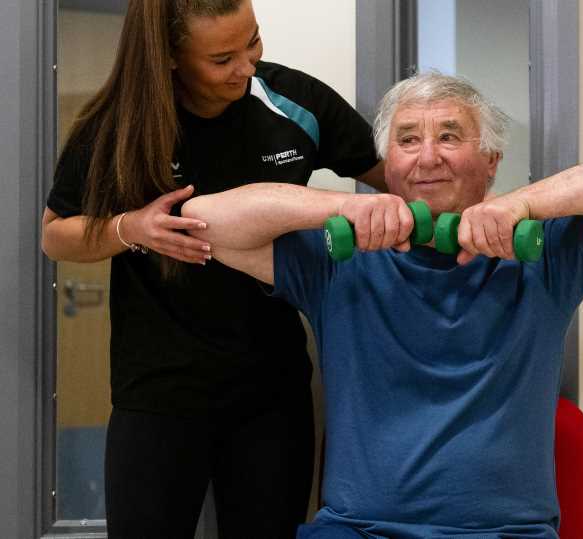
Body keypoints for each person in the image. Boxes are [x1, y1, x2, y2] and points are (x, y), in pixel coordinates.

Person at [181, 72, 583, 539]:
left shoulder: (547, 257)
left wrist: (521, 205)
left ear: (491, 161)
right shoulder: (337, 259)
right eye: (407, 140)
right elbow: (203, 217)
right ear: (388, 165)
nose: (427, 158)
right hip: (358, 530)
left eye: (449, 136)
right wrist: (344, 206)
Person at [41, 0, 385, 537]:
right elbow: (55, 233)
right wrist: (129, 228)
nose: (246, 68)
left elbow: (400, 178)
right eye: (222, 58)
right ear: (172, 57)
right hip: (158, 389)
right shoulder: (118, 124)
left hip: (270, 390)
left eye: (253, 42)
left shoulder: (295, 101)